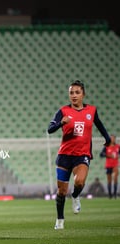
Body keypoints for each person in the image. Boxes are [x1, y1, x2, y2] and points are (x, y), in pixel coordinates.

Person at [47, 80, 111, 230]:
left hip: (82, 154)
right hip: (64, 155)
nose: (74, 95)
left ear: (83, 94)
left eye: (77, 92)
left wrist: (107, 138)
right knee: (62, 191)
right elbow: (50, 129)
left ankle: (75, 196)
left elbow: (99, 124)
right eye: (71, 93)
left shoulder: (91, 111)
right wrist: (61, 123)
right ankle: (60, 220)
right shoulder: (63, 111)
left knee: (80, 182)